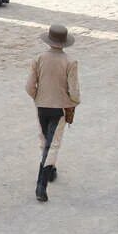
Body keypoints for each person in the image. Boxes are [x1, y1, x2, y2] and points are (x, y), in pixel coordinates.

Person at [26, 24, 81, 203]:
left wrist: (38, 97)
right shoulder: (70, 62)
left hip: (42, 105)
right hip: (60, 108)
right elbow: (74, 91)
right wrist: (73, 103)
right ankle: (41, 183)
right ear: (64, 43)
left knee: (44, 140)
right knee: (53, 144)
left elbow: (29, 86)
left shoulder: (38, 59)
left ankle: (51, 171)